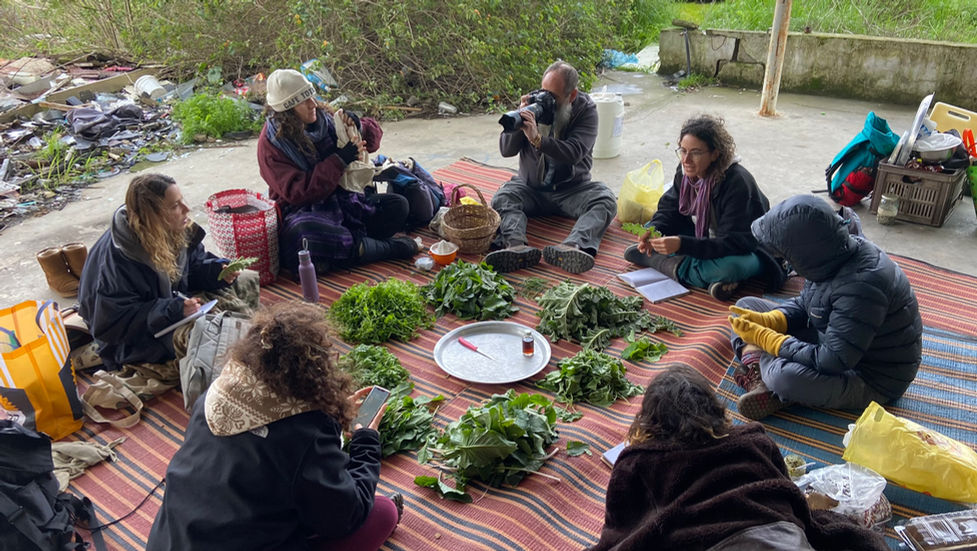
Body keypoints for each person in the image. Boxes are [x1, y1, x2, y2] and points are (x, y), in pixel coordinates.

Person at [146, 301, 403, 551]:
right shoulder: (306, 433)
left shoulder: (212, 396)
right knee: (382, 513)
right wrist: (366, 440)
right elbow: (346, 517)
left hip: (170, 541)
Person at [588, 365, 888, 551]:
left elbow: (621, 533)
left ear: (648, 423)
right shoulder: (754, 440)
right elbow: (786, 494)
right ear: (714, 408)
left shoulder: (638, 463)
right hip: (783, 540)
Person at [728, 194, 922, 420]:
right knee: (745, 306)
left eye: (786, 255)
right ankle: (763, 378)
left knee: (782, 377)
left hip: (870, 377)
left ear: (804, 253)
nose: (786, 262)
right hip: (836, 338)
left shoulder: (863, 287)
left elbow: (834, 360)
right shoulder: (830, 255)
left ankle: (763, 376)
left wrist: (770, 340)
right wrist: (774, 321)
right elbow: (809, 303)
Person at [78, 173, 259, 378]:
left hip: (169, 302)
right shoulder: (119, 261)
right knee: (203, 337)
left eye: (182, 201)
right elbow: (112, 324)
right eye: (174, 206)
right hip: (131, 338)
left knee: (245, 279)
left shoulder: (173, 227)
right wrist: (174, 310)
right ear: (151, 216)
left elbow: (192, 264)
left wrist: (216, 270)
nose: (186, 209)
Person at [257, 68, 419, 274]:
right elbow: (298, 192)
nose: (313, 104)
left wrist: (358, 125)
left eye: (311, 96)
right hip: (305, 211)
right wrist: (339, 161)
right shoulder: (272, 145)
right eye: (304, 101)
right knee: (303, 234)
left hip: (346, 201)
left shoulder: (324, 118)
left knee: (398, 205)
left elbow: (372, 141)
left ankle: (351, 248)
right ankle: (382, 248)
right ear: (287, 110)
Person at [624, 114, 787, 301]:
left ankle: (662, 262)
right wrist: (656, 230)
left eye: (695, 152)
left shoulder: (737, 183)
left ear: (715, 154)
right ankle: (710, 277)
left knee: (730, 267)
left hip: (748, 248)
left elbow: (735, 242)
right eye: (683, 151)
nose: (686, 159)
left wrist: (682, 244)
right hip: (703, 237)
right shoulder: (686, 172)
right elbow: (669, 208)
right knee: (649, 227)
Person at [486, 60, 617, 274]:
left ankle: (572, 246)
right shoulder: (533, 105)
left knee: (605, 201)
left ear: (571, 95)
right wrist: (520, 120)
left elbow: (574, 152)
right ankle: (515, 245)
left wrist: (538, 140)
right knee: (502, 198)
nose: (546, 100)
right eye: (543, 91)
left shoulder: (586, 110)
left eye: (553, 97)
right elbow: (506, 151)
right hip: (530, 188)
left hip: (572, 190)